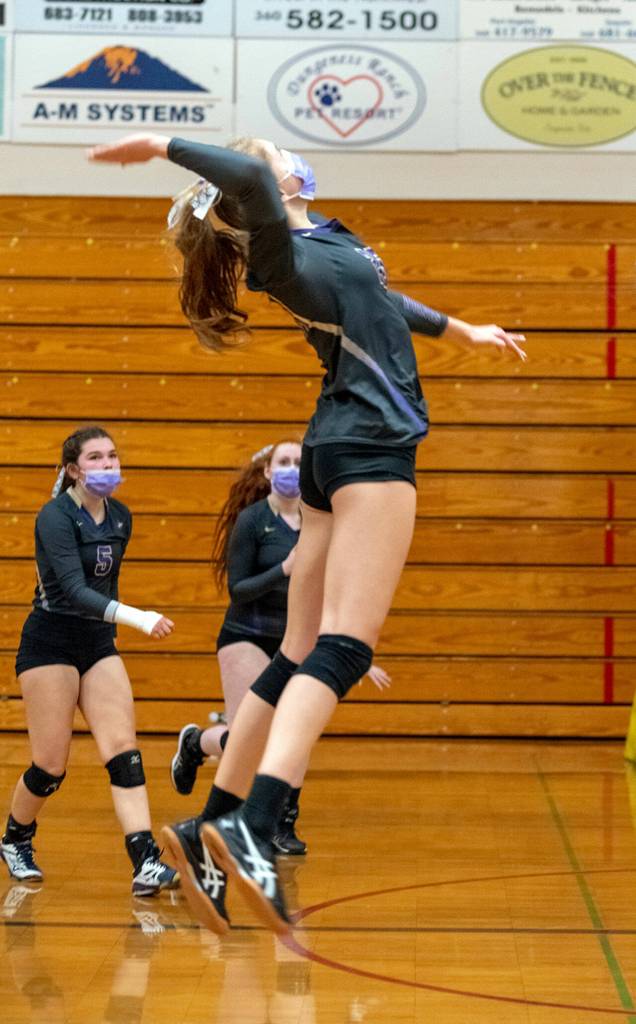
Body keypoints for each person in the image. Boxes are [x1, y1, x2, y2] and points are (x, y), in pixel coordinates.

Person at [88, 133, 526, 933]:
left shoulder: (323, 242)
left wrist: (461, 331)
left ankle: (213, 822)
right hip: (370, 446)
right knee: (346, 647)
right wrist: (159, 145)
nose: (287, 157)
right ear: (264, 184)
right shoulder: (278, 249)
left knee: (296, 651)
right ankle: (255, 826)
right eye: (275, 152)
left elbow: (382, 303)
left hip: (332, 444)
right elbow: (250, 177)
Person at [170, 437, 391, 857]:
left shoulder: (320, 521)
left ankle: (281, 823)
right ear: (268, 471)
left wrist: (352, 651)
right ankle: (198, 744)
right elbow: (238, 589)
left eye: (298, 462)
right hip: (247, 635)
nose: (292, 468)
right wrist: (284, 569)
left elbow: (331, 593)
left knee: (295, 726)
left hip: (299, 639)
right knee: (249, 736)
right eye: (283, 461)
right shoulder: (253, 521)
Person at [0, 425, 179, 896]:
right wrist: (140, 618)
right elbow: (75, 592)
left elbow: (105, 587)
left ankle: (145, 861)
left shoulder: (120, 516)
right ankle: (16, 838)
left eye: (112, 456)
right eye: (95, 457)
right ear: (74, 470)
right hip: (50, 643)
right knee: (50, 766)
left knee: (125, 752)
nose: (107, 464)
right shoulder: (55, 517)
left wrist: (115, 629)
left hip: (97, 643)